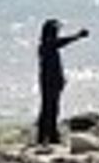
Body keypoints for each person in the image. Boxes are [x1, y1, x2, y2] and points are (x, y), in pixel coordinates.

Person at [35, 17, 87, 145]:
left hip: (53, 81)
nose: (57, 32)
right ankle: (44, 137)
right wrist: (77, 36)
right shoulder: (46, 45)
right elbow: (60, 42)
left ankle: (51, 135)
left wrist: (61, 79)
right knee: (48, 109)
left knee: (53, 109)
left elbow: (56, 65)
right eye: (56, 30)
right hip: (48, 82)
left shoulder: (49, 46)